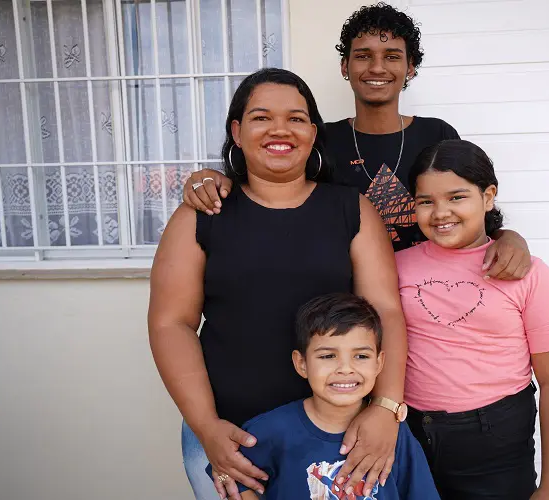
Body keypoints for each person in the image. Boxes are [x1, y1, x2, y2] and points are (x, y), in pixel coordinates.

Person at [149, 68, 407, 500]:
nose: (279, 130)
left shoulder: (351, 210)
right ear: (236, 130)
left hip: (336, 441)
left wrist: (385, 408)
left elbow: (386, 311)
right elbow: (170, 324)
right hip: (231, 439)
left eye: (296, 118)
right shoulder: (201, 216)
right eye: (261, 117)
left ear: (312, 131)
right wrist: (207, 427)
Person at [181, 3, 532, 280]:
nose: (377, 67)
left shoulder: (436, 135)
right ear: (344, 66)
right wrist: (216, 178)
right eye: (363, 55)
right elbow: (270, 185)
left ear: (410, 68)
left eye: (392, 56)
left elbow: (473, 214)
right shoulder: (320, 139)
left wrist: (510, 238)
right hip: (346, 307)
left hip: (430, 292)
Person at [397, 139, 549, 499]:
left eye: (457, 197)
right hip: (410, 439)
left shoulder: (528, 274)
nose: (440, 213)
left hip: (495, 445)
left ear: (488, 197)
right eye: (426, 201)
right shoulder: (396, 267)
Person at [205, 293, 440, 500]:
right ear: (302, 364)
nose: (345, 368)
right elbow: (231, 473)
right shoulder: (272, 430)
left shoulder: (392, 433)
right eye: (328, 356)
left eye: (361, 356)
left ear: (379, 363)